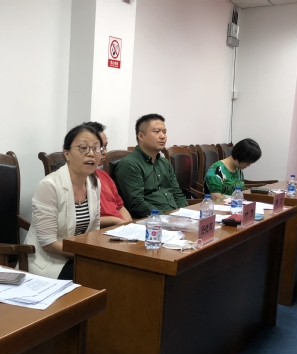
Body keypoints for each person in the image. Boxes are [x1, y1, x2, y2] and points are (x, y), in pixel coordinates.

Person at [24, 124, 102, 280]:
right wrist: (86, 256)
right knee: (100, 276)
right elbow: (48, 244)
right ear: (67, 154)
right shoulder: (49, 185)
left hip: (78, 257)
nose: (91, 154)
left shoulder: (94, 183)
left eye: (96, 148)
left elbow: (94, 229)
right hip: (48, 262)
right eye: (83, 148)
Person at [114, 114, 187, 219]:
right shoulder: (130, 164)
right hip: (150, 221)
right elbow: (136, 203)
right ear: (141, 136)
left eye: (164, 132)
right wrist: (165, 218)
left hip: (174, 218)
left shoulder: (165, 163)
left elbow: (177, 194)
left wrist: (186, 214)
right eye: (156, 131)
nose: (162, 136)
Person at [82, 121, 132, 227]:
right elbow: (82, 220)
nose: (104, 151)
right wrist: (115, 221)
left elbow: (120, 207)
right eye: (98, 147)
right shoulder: (78, 180)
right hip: (100, 230)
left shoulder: (104, 175)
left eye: (105, 146)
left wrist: (129, 225)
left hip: (119, 227)